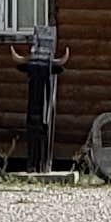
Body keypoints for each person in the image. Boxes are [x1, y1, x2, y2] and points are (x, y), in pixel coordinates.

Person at [20, 16, 66, 174]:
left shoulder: (50, 69)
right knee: (33, 128)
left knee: (44, 129)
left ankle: (43, 164)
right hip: (34, 100)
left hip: (44, 99)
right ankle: (32, 164)